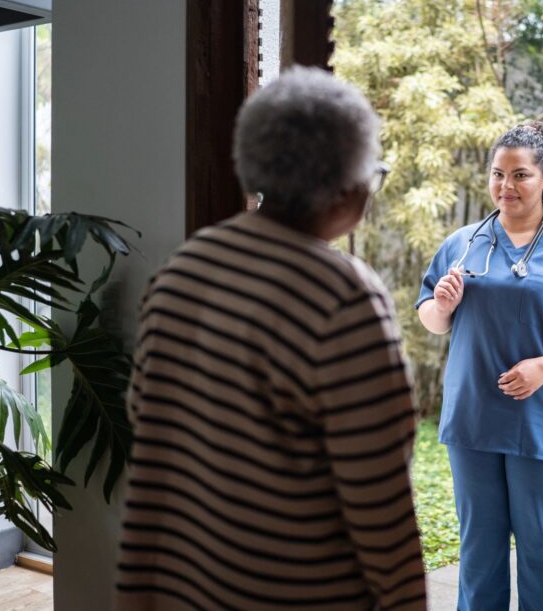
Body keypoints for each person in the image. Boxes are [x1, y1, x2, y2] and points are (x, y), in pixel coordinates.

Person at [116, 66, 426, 610]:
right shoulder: (344, 298)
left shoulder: (186, 266)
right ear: (346, 183)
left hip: (184, 586)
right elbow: (381, 511)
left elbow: (148, 416)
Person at [416, 121, 543, 610]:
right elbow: (433, 321)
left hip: (542, 422)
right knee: (478, 550)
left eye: (520, 175)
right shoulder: (463, 242)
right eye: (498, 174)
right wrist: (442, 304)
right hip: (473, 417)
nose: (506, 186)